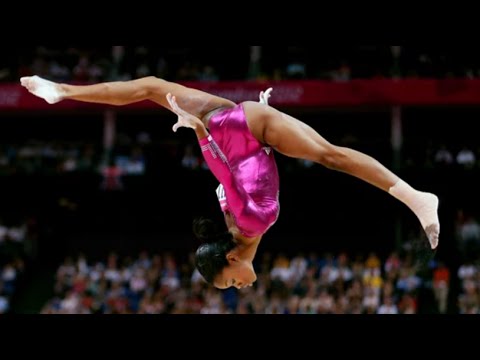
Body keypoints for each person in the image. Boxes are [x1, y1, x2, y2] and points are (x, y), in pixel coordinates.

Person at [20, 75, 440, 290]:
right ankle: (61, 89)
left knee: (331, 156)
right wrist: (213, 128)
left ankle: (416, 198)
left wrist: (201, 133)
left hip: (245, 132)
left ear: (232, 261)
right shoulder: (237, 225)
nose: (238, 287)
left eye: (229, 283)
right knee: (150, 87)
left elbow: (225, 172)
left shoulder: (250, 227)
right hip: (237, 127)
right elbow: (232, 179)